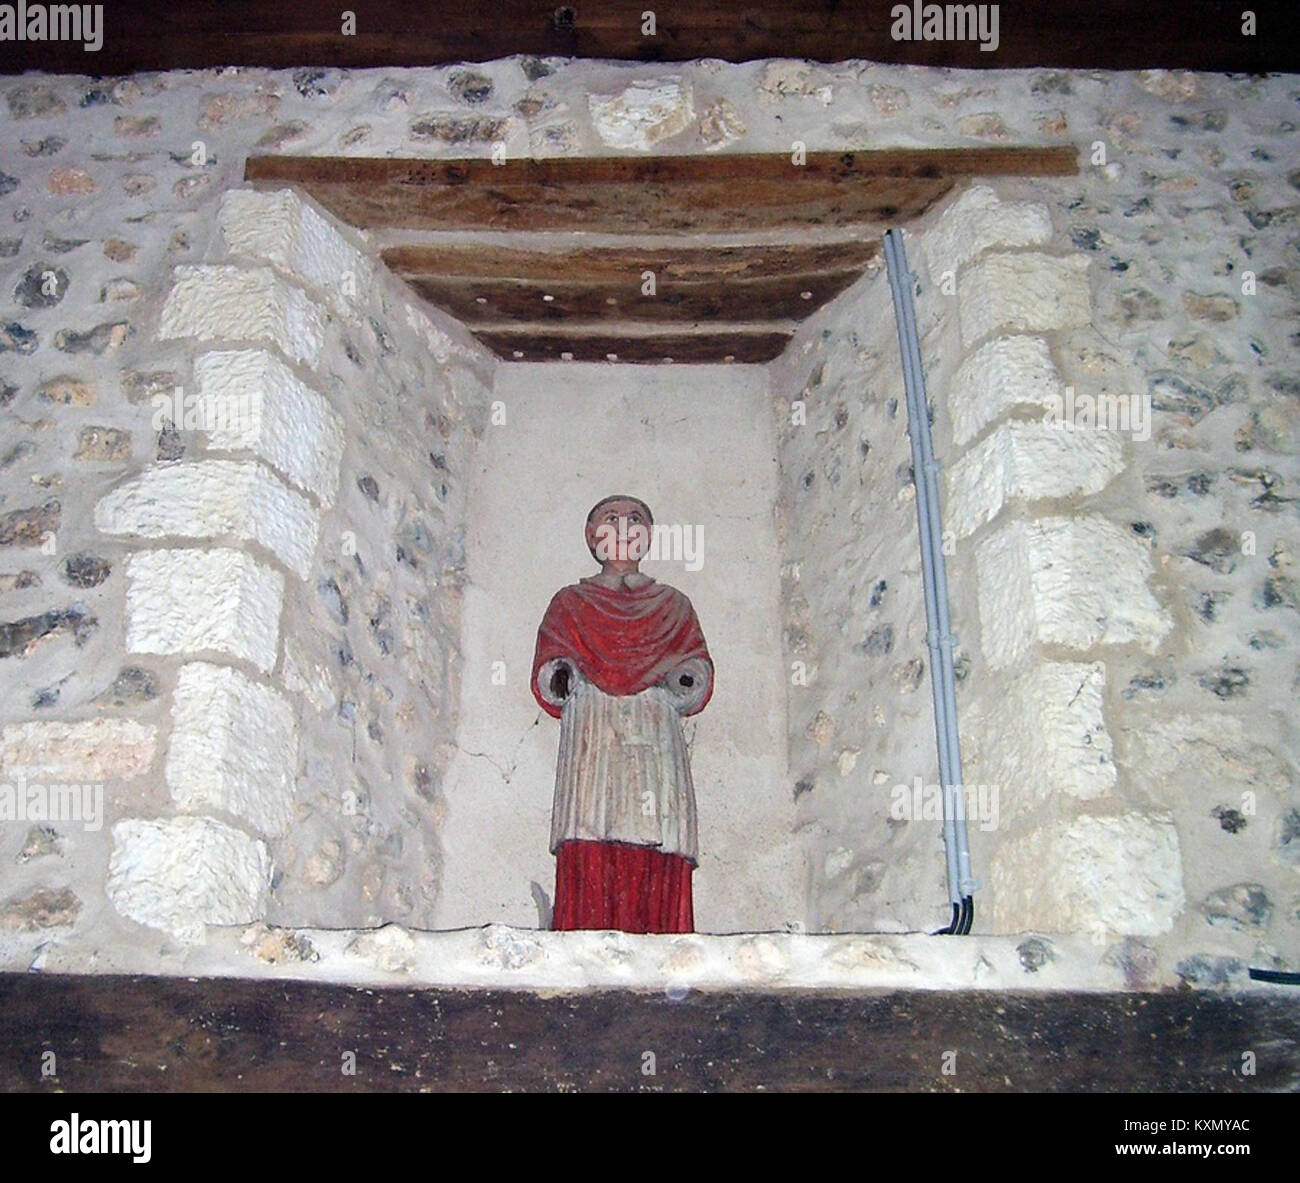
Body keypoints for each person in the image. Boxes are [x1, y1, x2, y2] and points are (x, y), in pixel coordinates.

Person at [531, 495, 713, 933]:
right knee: (591, 822)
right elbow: (552, 664)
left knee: (658, 826)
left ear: (648, 537)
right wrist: (562, 675)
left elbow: (695, 666)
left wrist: (684, 678)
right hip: (594, 723)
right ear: (594, 538)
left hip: (653, 721)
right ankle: (584, 930)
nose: (624, 529)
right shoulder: (571, 603)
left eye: (635, 521)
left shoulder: (673, 605)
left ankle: (662, 932)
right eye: (610, 521)